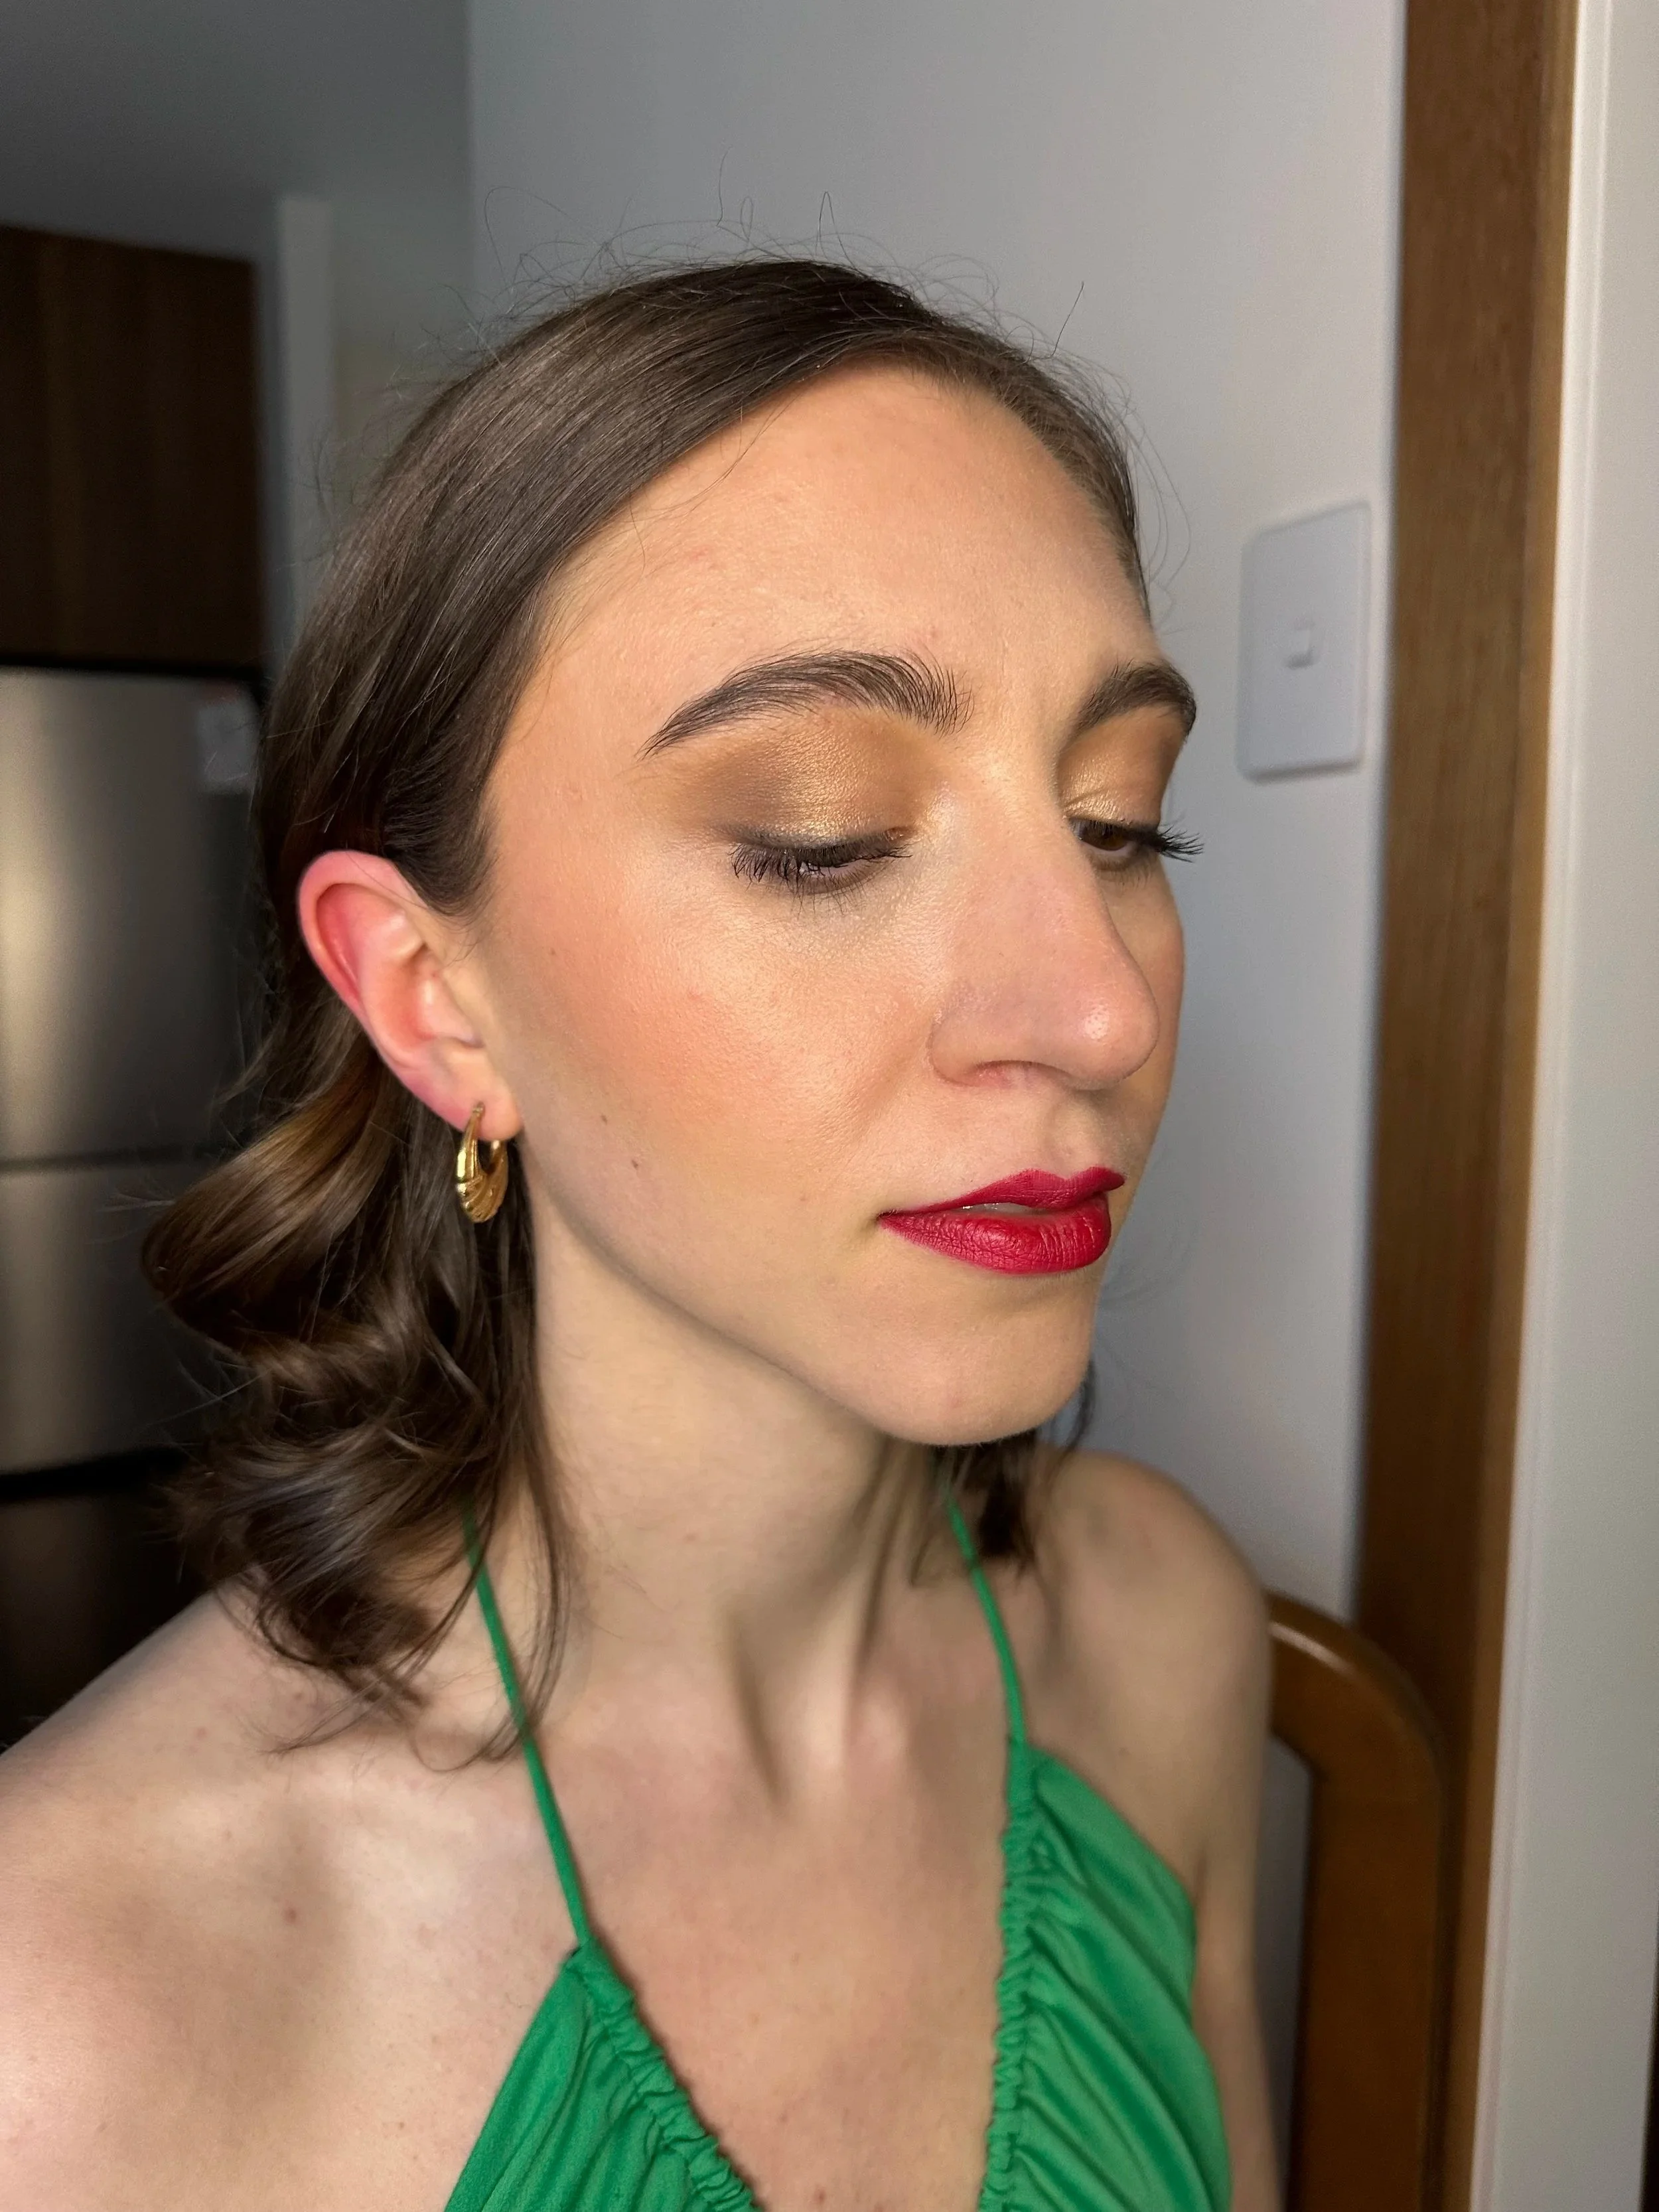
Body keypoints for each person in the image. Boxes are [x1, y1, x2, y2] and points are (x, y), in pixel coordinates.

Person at [0, 259, 1278, 2211]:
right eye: (826, 837)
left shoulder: (1163, 1634)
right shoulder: (73, 2015)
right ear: (434, 997)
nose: (1100, 1010)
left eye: (1117, 822)